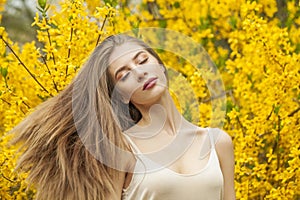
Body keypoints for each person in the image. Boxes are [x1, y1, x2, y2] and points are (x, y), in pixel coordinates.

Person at [12, 34, 235, 200]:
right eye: (124, 74)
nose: (139, 73)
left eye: (142, 60)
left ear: (160, 64)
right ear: (120, 95)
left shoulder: (217, 142)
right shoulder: (121, 151)